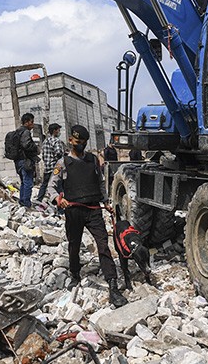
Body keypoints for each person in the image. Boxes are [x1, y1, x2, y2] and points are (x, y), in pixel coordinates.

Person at [47, 125, 128, 308]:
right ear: (70, 141)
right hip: (74, 211)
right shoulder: (63, 163)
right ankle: (75, 274)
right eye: (77, 142)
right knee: (74, 245)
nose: (80, 145)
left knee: (103, 246)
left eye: (83, 143)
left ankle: (113, 286)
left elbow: (99, 182)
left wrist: (106, 201)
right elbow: (51, 187)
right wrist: (58, 200)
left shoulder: (93, 160)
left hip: (93, 209)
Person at [14, 113, 39, 208]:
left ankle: (22, 202)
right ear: (27, 122)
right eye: (31, 122)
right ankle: (27, 203)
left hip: (18, 161)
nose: (33, 124)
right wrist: (35, 148)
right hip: (26, 161)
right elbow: (26, 145)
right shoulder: (25, 132)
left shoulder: (18, 131)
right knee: (28, 182)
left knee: (23, 182)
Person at [36, 123, 64, 202]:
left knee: (44, 185)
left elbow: (44, 154)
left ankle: (39, 200)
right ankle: (60, 207)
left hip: (47, 168)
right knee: (58, 186)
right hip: (55, 168)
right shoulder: (56, 141)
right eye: (58, 130)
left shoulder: (45, 141)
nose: (59, 132)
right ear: (54, 131)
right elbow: (58, 153)